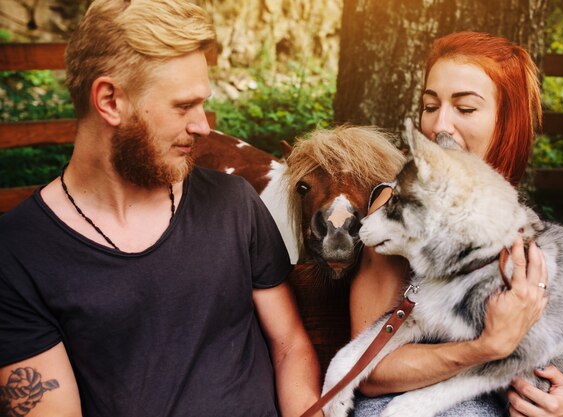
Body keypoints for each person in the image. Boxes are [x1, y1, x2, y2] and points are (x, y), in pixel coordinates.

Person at [0, 1, 322, 416]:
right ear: (110, 101)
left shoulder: (233, 203)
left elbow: (289, 345)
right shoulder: (18, 254)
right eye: (183, 106)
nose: (204, 125)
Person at [349, 32, 563, 417]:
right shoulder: (396, 207)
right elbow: (370, 370)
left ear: (505, 121)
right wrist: (486, 348)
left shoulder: (521, 224)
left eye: (465, 108)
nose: (439, 125)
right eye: (430, 105)